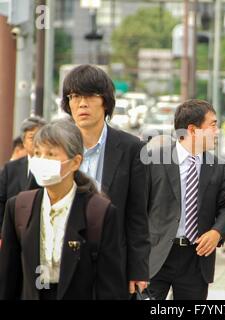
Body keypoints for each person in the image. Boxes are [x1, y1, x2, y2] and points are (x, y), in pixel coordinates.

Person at [0, 119, 126, 299]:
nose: (42, 160)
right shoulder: (19, 206)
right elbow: (8, 276)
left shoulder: (99, 212)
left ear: (75, 162)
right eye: (37, 153)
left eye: (51, 154)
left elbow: (110, 285)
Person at [61, 64, 150, 295]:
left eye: (90, 96)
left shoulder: (132, 148)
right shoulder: (56, 146)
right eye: (75, 96)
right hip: (62, 255)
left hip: (111, 258)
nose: (82, 103)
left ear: (105, 101)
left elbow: (137, 214)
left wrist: (138, 269)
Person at [146, 99, 225, 300]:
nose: (218, 131)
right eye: (213, 125)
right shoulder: (154, 160)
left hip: (197, 258)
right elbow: (137, 207)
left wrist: (217, 232)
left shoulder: (218, 166)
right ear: (193, 130)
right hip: (156, 255)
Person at [0, 116, 46, 236]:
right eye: (32, 137)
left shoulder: (51, 167)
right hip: (11, 232)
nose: (36, 141)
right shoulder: (10, 169)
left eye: (40, 136)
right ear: (24, 142)